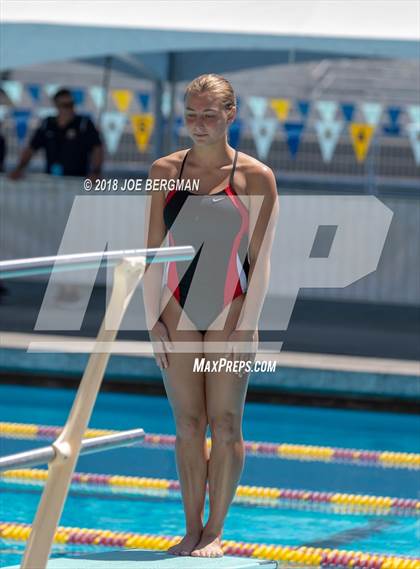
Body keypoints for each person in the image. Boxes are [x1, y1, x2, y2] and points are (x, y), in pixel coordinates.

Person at [143, 74, 278, 558]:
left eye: (209, 114)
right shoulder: (164, 171)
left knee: (224, 423)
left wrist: (248, 324)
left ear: (230, 116)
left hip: (232, 308)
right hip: (177, 307)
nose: (198, 124)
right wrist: (151, 320)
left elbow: (261, 260)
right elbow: (152, 250)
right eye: (191, 114)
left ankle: (216, 529)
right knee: (186, 423)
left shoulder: (256, 177)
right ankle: (190, 527)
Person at [9, 88, 103, 180]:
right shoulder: (47, 124)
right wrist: (19, 168)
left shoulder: (84, 124)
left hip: (77, 180)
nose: (69, 108)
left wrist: (96, 171)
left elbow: (97, 148)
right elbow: (31, 148)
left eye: (71, 104)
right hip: (52, 180)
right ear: (56, 105)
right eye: (65, 105)